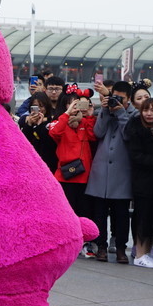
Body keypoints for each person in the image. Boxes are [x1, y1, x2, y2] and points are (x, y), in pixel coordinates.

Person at [87, 80, 137, 263]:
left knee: (122, 214)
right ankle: (100, 246)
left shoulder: (134, 115)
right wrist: (107, 111)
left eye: (121, 98)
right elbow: (98, 133)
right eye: (114, 97)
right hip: (101, 172)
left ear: (129, 99)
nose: (117, 101)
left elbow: (128, 135)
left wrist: (121, 112)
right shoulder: (104, 111)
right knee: (99, 212)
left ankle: (121, 247)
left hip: (122, 172)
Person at [125, 98, 153, 268]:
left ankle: (148, 251)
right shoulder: (136, 129)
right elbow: (136, 156)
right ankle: (140, 253)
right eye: (145, 110)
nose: (149, 114)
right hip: (142, 180)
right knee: (142, 216)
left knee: (152, 217)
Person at [49, 92, 97, 223]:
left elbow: (93, 136)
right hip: (65, 176)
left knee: (84, 213)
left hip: (84, 176)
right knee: (65, 214)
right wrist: (68, 113)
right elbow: (54, 132)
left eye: (79, 103)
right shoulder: (59, 122)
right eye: (72, 103)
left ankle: (85, 241)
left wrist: (90, 115)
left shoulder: (86, 122)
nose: (76, 106)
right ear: (65, 105)